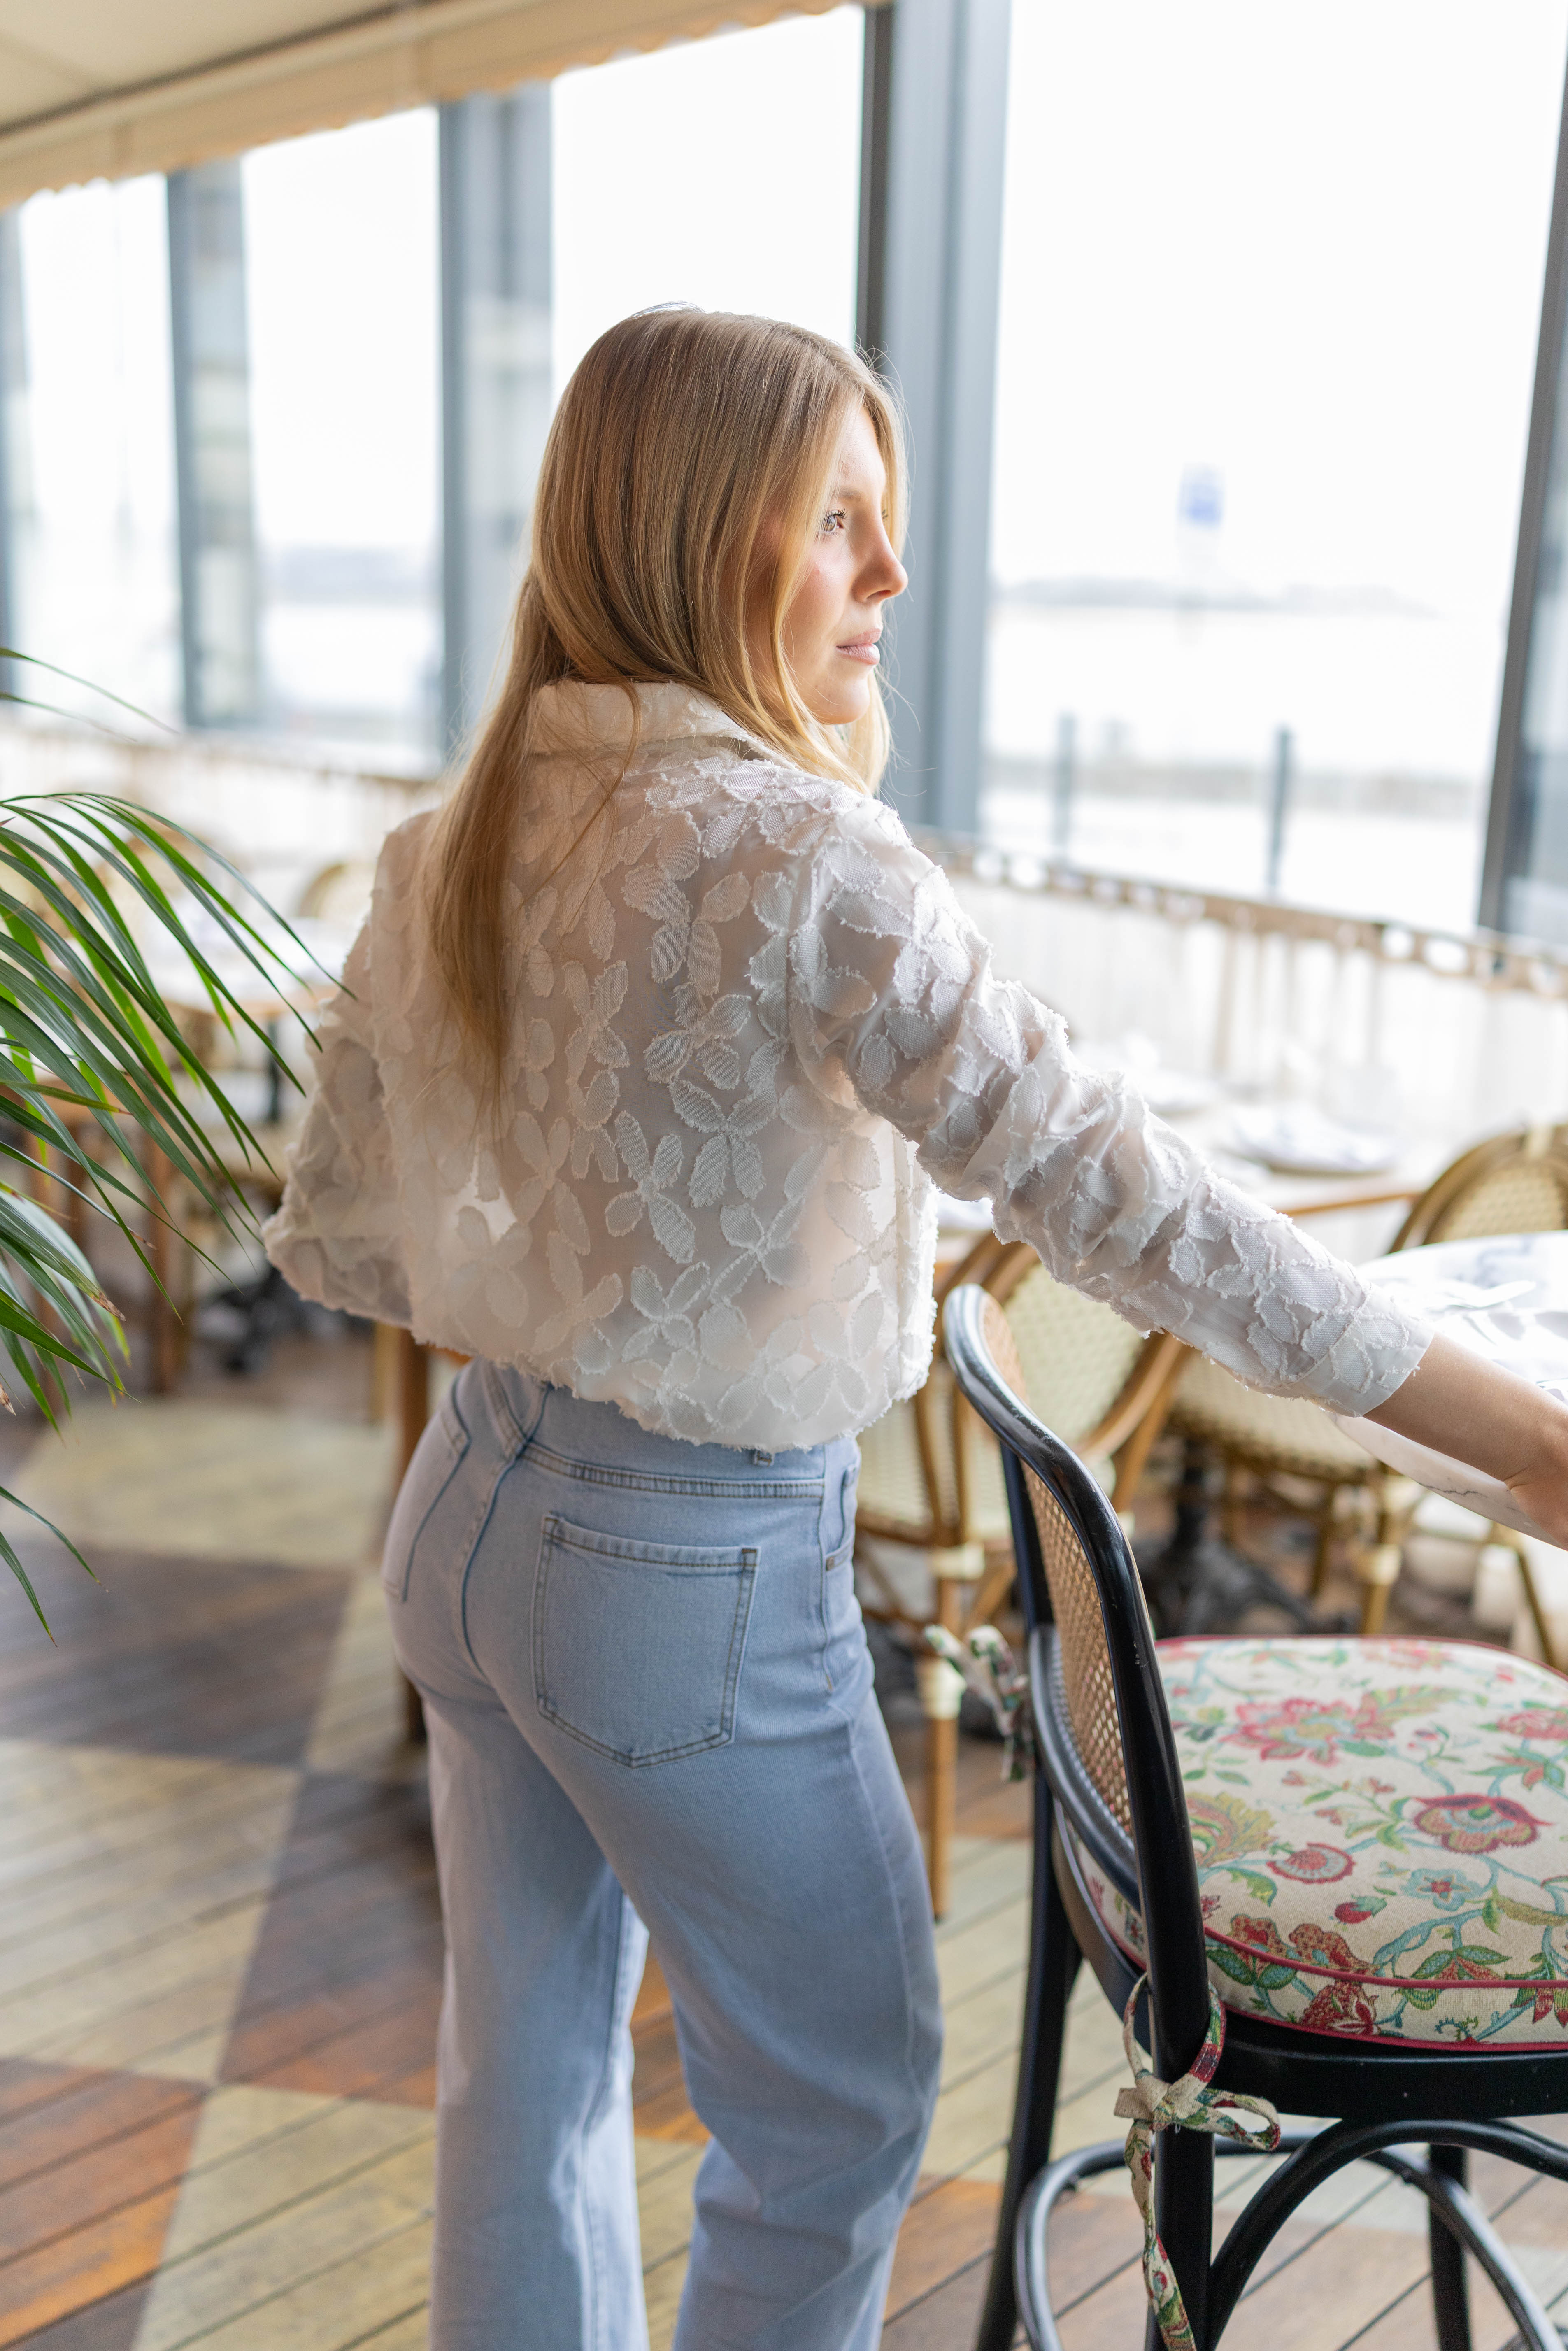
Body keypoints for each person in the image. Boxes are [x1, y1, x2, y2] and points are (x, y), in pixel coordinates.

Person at [264, 307, 1568, 2351]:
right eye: (839, 522)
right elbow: (1135, 1208)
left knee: (524, 2077)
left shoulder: (459, 834)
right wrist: (1530, 1444)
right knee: (841, 2119)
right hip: (675, 1581)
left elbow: (366, 1223)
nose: (888, 575)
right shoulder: (798, 857)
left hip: (464, 1517)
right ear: (705, 534)